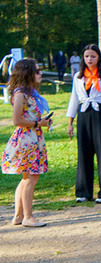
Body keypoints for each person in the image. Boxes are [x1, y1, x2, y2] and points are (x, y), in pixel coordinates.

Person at [65, 44, 101, 203]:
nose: (89, 59)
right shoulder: (78, 76)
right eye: (87, 56)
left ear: (98, 58)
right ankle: (83, 191)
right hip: (83, 113)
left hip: (99, 113)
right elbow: (74, 99)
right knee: (84, 152)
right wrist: (70, 121)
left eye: (93, 56)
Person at [2, 59, 51, 227]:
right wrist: (39, 124)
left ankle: (18, 216)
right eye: (37, 71)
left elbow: (27, 116)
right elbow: (17, 120)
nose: (40, 74)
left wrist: (41, 121)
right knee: (31, 177)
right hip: (26, 140)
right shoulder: (20, 94)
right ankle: (28, 217)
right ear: (27, 73)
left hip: (32, 138)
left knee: (26, 178)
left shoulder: (28, 93)